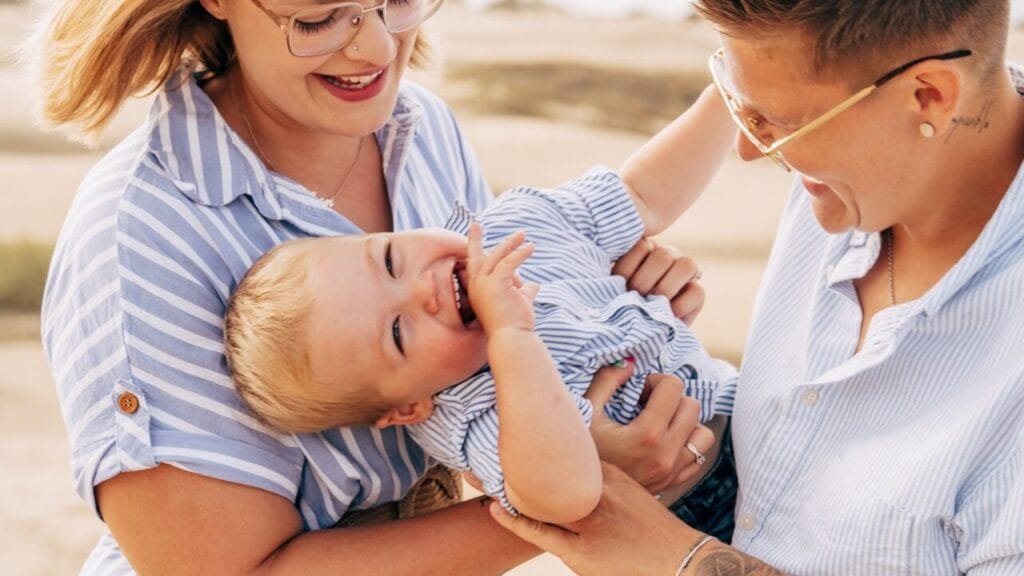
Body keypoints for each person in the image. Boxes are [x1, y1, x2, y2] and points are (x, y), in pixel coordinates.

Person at [33, 0, 730, 572]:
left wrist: (611, 304)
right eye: (318, 20)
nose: (374, 51)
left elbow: (488, 391)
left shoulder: (420, 129)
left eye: (395, 2)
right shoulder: (140, 237)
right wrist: (587, 484)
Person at [490, 0, 1024, 574]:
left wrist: (681, 562)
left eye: (780, 122)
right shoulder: (855, 176)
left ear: (929, 97)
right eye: (740, 105)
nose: (750, 148)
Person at [223, 85, 737, 524]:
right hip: (699, 516)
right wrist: (513, 339)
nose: (421, 292)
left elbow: (642, 195)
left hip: (743, 405)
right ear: (408, 407)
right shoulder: (469, 410)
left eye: (389, 260)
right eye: (398, 333)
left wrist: (732, 93)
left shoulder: (513, 225)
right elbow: (565, 496)